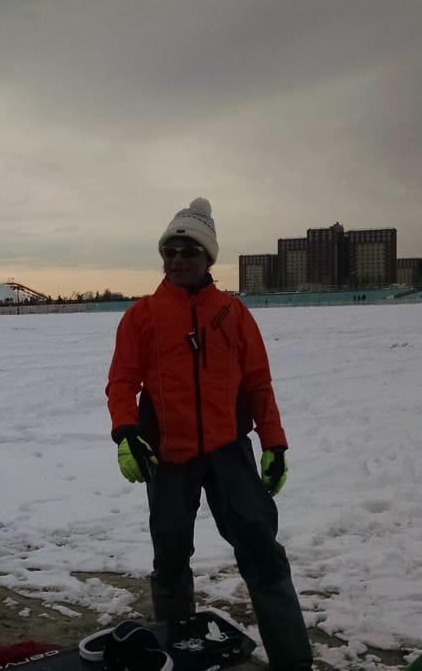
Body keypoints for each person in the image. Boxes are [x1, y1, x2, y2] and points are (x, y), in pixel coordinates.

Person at [105, 198, 314, 671]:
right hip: (169, 456)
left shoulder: (233, 314)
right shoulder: (142, 316)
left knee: (261, 548)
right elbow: (122, 381)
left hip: (228, 452)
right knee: (172, 554)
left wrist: (274, 443)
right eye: (170, 250)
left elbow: (258, 384)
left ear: (208, 258)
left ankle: (294, 660)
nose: (177, 259)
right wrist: (126, 431)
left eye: (189, 251)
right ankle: (180, 653)